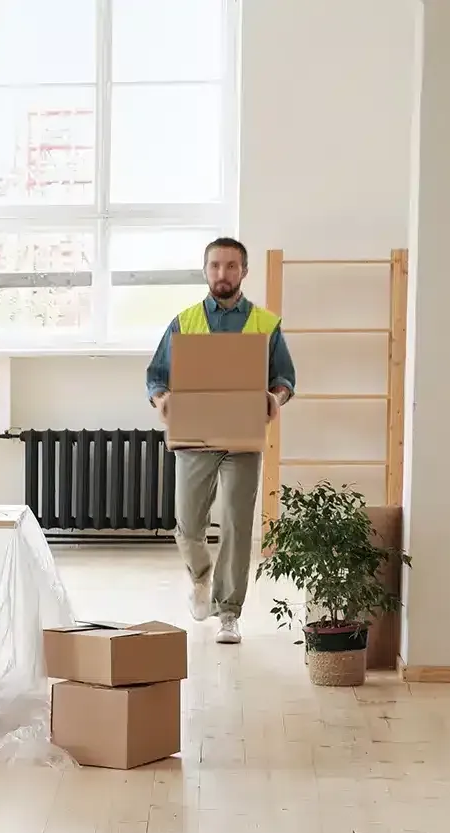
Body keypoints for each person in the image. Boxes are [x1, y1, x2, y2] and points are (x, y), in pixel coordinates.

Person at [145, 236, 297, 646]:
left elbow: (284, 378)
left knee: (235, 523)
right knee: (188, 524)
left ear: (244, 272)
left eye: (231, 266)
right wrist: (162, 399)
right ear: (205, 269)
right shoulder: (185, 321)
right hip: (194, 437)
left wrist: (274, 397)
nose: (222, 274)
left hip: (243, 438)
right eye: (215, 266)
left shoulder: (266, 324)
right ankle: (200, 576)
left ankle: (229, 611)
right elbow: (156, 376)